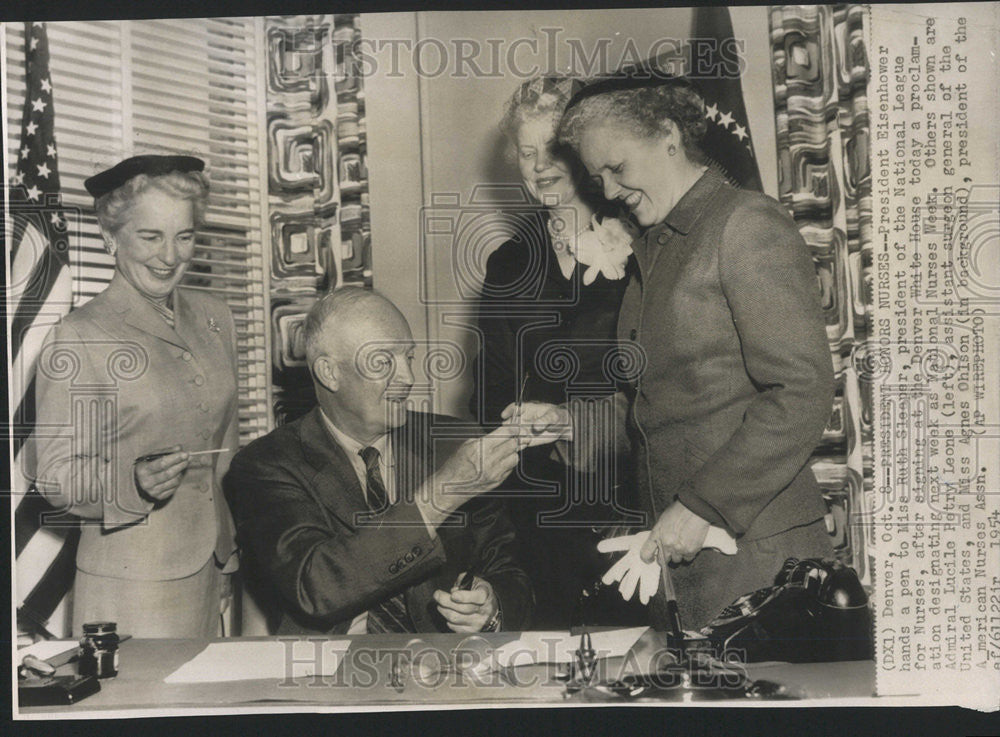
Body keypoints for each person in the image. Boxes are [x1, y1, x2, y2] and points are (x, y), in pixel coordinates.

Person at [515, 72, 836, 629]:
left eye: (617, 168)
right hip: (680, 562)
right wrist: (571, 426)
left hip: (758, 558)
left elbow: (801, 391)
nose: (609, 191)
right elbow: (655, 405)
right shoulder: (654, 247)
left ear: (668, 135)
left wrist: (700, 506)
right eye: (598, 177)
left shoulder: (744, 224)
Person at [224, 288, 534, 635]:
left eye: (408, 358)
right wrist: (441, 495)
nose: (407, 379)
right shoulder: (267, 464)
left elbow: (509, 569)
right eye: (383, 361)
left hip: (443, 671)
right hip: (329, 676)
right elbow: (317, 586)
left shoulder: (454, 442)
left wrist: (491, 606)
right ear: (329, 373)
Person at [31, 154, 239, 638]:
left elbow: (225, 448)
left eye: (184, 236)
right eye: (150, 236)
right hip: (133, 585)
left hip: (215, 568)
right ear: (111, 237)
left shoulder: (216, 318)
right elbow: (56, 476)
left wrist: (229, 555)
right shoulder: (81, 336)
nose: (170, 256)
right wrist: (132, 482)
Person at [471, 75, 640, 629]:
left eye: (554, 149)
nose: (539, 164)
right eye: (526, 150)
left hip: (630, 500)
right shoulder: (507, 262)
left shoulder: (643, 241)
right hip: (538, 506)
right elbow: (491, 393)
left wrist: (576, 424)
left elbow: (664, 385)